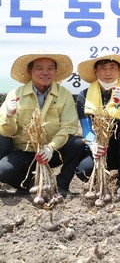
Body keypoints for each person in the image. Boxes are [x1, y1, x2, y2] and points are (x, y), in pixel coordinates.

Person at [0, 51, 85, 195]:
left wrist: (51, 148)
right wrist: (9, 115)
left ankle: (62, 185)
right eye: (39, 68)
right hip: (25, 153)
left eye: (50, 68)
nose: (45, 72)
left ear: (55, 71)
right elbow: (7, 132)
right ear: (29, 71)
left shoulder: (64, 94)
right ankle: (32, 185)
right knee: (2, 170)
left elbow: (69, 126)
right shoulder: (15, 94)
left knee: (77, 143)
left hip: (53, 152)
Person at [74, 54, 120, 194]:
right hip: (98, 145)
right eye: (103, 68)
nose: (108, 72)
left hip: (119, 148)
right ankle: (98, 182)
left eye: (112, 68)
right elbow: (86, 128)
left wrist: (119, 103)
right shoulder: (84, 95)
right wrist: (93, 144)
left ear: (119, 71)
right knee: (84, 171)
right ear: (95, 71)